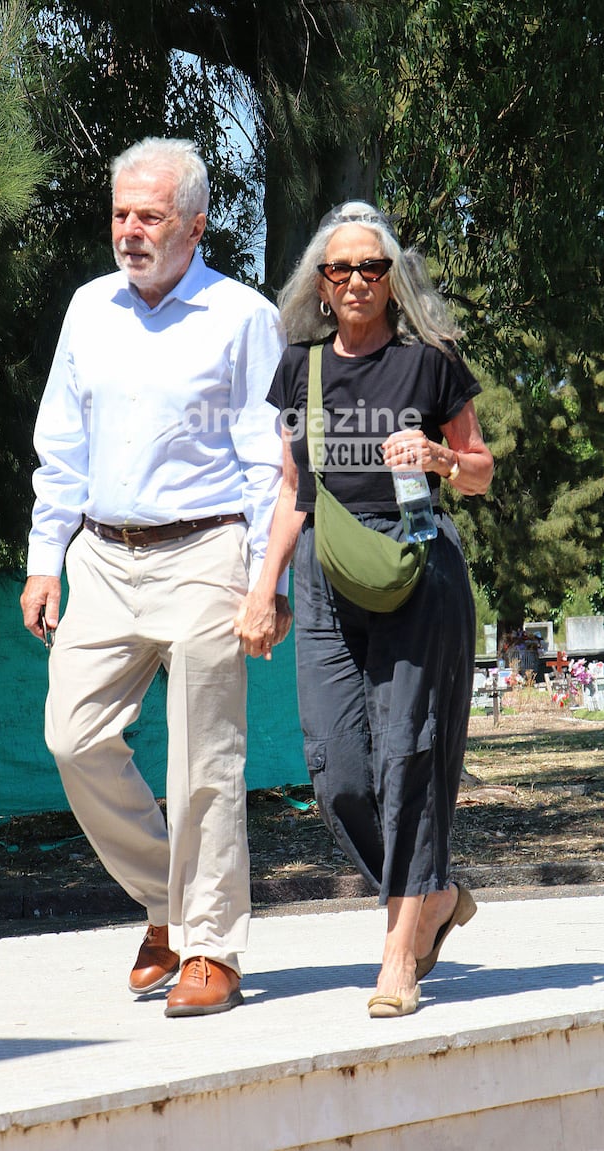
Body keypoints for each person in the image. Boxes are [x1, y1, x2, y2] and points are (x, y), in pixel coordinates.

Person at [20, 137, 291, 1017]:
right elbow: (60, 446)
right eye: (119, 215)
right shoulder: (88, 309)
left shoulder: (241, 316)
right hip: (101, 554)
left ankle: (212, 948)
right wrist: (43, 558)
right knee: (73, 736)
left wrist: (264, 582)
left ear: (195, 225)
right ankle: (168, 907)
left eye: (150, 217)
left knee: (203, 756)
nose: (129, 232)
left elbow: (267, 464)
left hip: (207, 550)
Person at [235, 201, 493, 1017]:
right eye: (339, 268)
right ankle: (436, 894)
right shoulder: (299, 368)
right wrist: (262, 584)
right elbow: (288, 491)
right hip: (321, 569)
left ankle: (397, 953)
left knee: (408, 755)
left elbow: (482, 469)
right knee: (337, 769)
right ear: (320, 282)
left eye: (371, 268)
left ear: (391, 279)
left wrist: (443, 456)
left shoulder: (430, 364)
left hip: (415, 563)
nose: (354, 280)